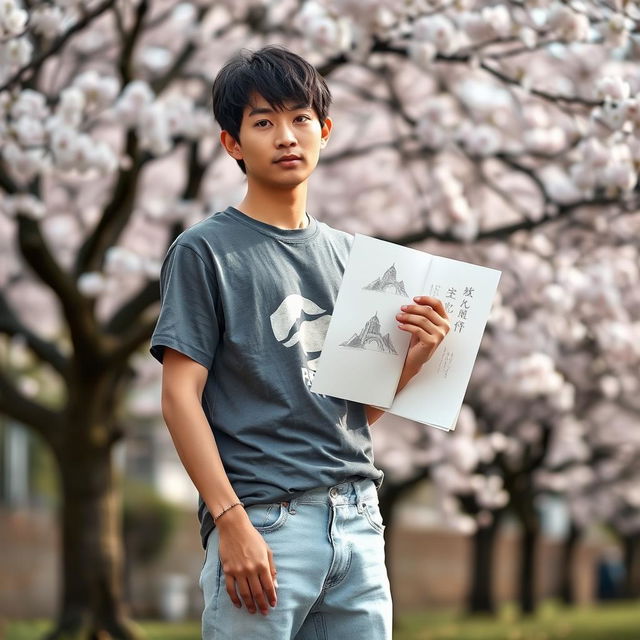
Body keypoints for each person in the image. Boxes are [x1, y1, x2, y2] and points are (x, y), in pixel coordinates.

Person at [149, 44, 450, 640]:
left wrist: (412, 364)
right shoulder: (204, 251)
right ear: (232, 143)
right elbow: (179, 398)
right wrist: (230, 522)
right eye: (263, 122)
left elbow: (347, 414)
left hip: (358, 517)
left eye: (299, 119)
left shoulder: (352, 259)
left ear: (325, 131)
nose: (285, 136)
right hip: (264, 524)